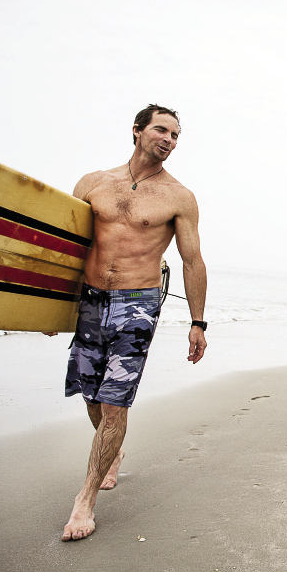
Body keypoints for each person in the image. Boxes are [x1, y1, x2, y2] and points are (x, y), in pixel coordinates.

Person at [53, 104, 208, 542]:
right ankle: (111, 452)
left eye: (176, 135)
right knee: (90, 394)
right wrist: (49, 305)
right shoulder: (93, 184)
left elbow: (192, 260)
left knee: (115, 401)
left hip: (138, 303)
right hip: (90, 299)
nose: (170, 139)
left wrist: (199, 322)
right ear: (137, 131)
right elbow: (65, 245)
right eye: (162, 130)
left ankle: (85, 500)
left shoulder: (179, 197)